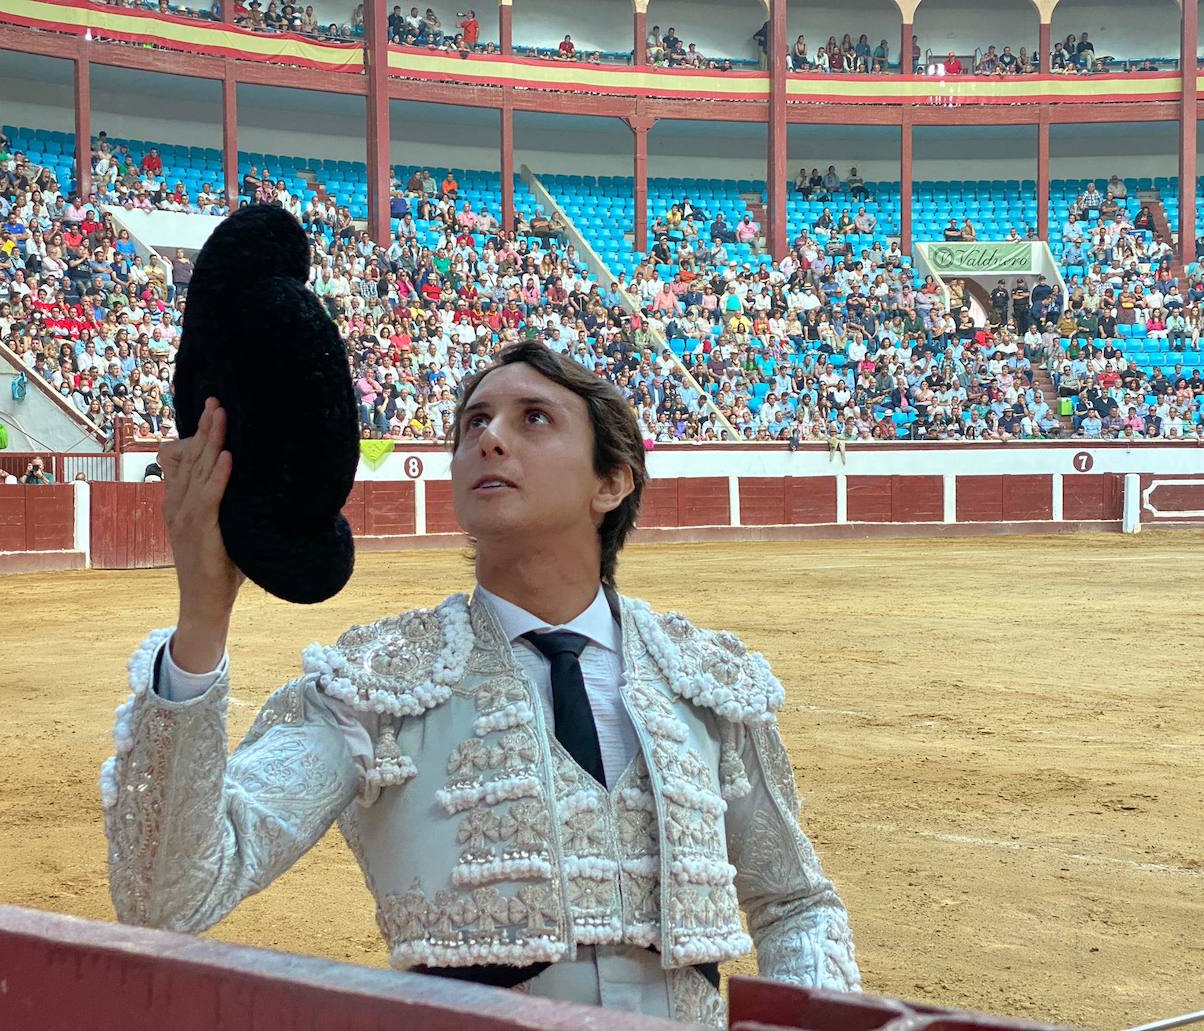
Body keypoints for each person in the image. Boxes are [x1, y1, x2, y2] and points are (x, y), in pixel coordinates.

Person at [101, 344, 861, 1023]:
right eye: (473, 423)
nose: (488, 436)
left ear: (613, 482)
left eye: (534, 418)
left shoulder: (706, 682)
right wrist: (202, 615)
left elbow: (796, 904)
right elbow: (169, 893)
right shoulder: (382, 683)